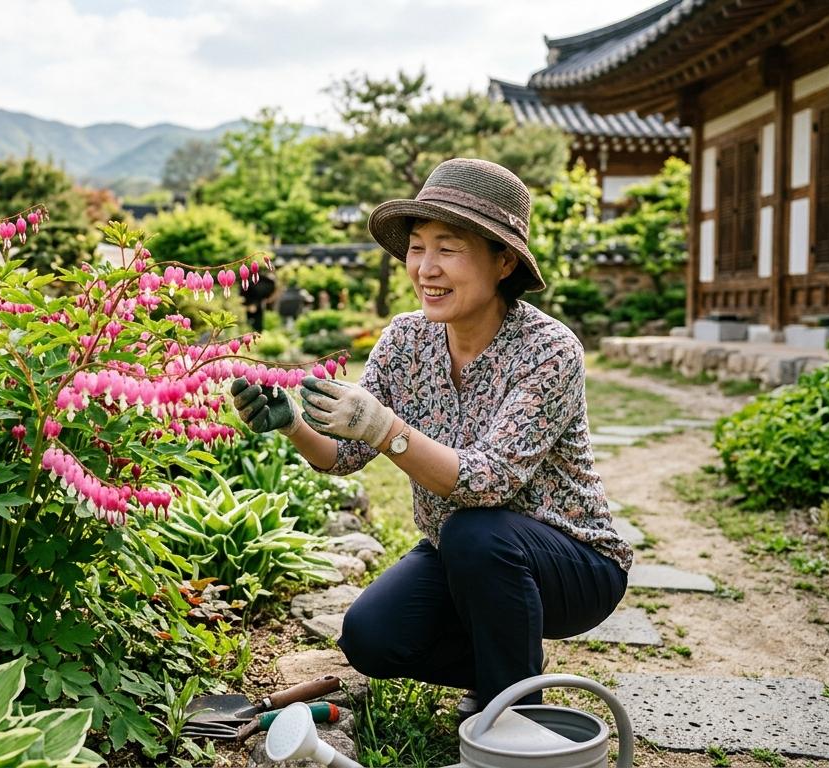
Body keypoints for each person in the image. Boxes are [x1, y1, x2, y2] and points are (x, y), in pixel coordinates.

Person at [230, 158, 630, 717]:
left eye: (448, 248)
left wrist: (386, 428)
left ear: (504, 261)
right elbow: (344, 455)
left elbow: (487, 483)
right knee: (370, 637)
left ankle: (515, 712)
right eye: (417, 248)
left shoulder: (549, 350)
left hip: (571, 563)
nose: (426, 268)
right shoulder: (405, 340)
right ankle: (512, 661)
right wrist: (294, 424)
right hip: (462, 553)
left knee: (475, 531)